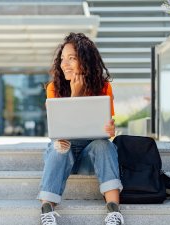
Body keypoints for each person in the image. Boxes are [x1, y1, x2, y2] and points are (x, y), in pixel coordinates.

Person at [37, 32, 124, 225]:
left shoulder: (103, 87)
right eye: (62, 59)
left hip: (89, 157)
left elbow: (108, 126)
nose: (64, 64)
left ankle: (114, 211)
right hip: (62, 155)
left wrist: (110, 129)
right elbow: (59, 130)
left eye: (71, 58)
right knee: (59, 145)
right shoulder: (54, 88)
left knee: (104, 145)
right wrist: (75, 95)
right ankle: (47, 209)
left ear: (85, 60)